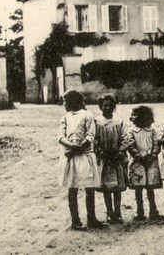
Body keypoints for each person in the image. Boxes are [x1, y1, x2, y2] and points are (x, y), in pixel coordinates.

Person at [58, 90, 104, 230]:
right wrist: (70, 145)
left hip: (85, 156)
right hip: (71, 157)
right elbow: (60, 136)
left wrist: (79, 148)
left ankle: (91, 218)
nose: (64, 104)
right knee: (72, 189)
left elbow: (90, 135)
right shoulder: (65, 117)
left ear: (74, 101)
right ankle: (75, 220)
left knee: (89, 188)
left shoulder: (87, 116)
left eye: (66, 101)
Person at [123, 105, 164, 221]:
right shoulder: (132, 131)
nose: (132, 117)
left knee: (150, 188)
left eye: (135, 115)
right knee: (138, 188)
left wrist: (152, 155)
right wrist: (138, 156)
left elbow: (156, 144)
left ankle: (153, 211)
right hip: (138, 163)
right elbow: (130, 146)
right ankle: (140, 211)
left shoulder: (152, 131)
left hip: (151, 162)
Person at [93, 93, 128, 224]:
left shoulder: (119, 122)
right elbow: (95, 139)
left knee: (117, 187)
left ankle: (118, 212)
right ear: (100, 107)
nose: (107, 108)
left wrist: (120, 151)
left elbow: (126, 138)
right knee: (107, 187)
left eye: (110, 105)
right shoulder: (97, 122)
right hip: (105, 158)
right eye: (104, 105)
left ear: (114, 107)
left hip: (117, 157)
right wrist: (100, 151)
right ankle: (109, 212)